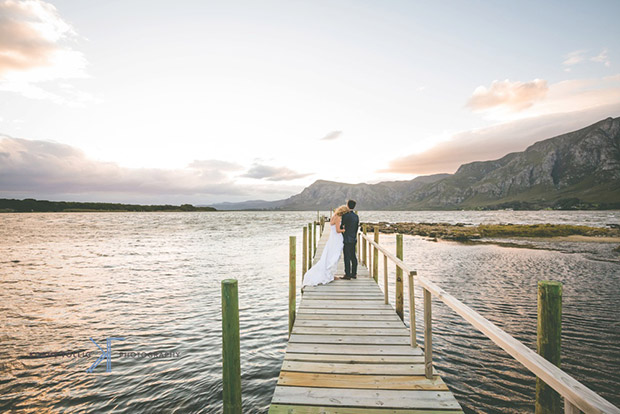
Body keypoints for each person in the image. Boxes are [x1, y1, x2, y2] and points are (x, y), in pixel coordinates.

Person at [301, 205, 348, 287]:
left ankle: (331, 273)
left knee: (330, 255)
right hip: (337, 238)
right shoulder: (338, 218)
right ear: (343, 212)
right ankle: (329, 274)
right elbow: (338, 230)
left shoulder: (334, 216)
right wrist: (345, 229)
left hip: (332, 237)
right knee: (335, 256)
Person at [340, 199, 359, 279]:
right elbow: (356, 227)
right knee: (353, 256)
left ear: (347, 205)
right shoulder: (356, 216)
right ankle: (354, 273)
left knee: (347, 257)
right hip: (353, 238)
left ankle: (347, 274)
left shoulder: (345, 215)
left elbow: (341, 226)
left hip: (346, 238)